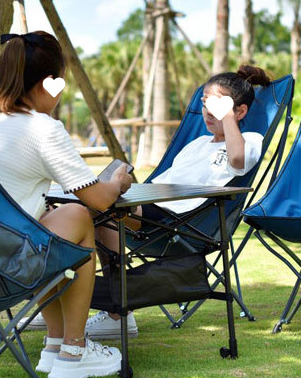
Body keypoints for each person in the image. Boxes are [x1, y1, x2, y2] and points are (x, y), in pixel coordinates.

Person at [0, 30, 133, 378]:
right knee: (78, 217)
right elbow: (99, 200)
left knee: (47, 219)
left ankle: (55, 344)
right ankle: (74, 350)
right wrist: (118, 182)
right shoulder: (43, 129)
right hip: (8, 262)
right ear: (46, 83)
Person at [86, 65, 271, 339]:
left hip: (183, 222)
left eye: (217, 105)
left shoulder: (249, 141)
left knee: (99, 208)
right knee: (90, 208)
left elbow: (237, 161)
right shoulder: (196, 145)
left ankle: (105, 310)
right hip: (154, 208)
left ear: (240, 112)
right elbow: (161, 184)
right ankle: (91, 304)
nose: (208, 111)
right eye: (205, 103)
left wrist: (228, 118)